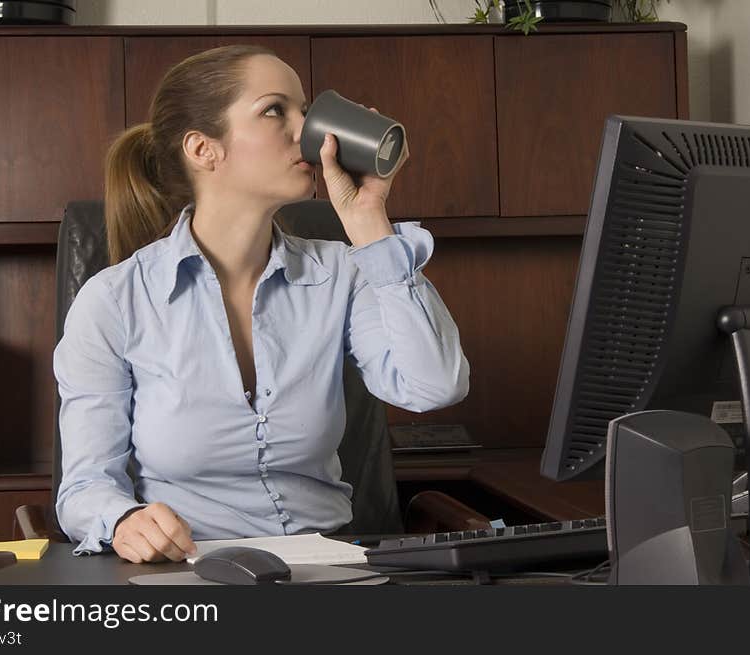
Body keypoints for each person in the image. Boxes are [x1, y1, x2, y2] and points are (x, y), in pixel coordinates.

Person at [54, 44, 470, 563]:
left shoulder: (344, 272)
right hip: (191, 573)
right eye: (276, 110)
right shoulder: (115, 301)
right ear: (205, 149)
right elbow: (85, 487)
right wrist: (123, 520)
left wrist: (368, 221)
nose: (309, 132)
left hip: (332, 570)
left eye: (306, 110)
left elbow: (434, 386)